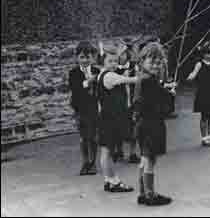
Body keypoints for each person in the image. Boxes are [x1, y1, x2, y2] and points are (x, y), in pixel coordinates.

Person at [133, 42, 177, 206]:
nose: (156, 65)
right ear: (142, 61)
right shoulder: (149, 81)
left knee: (145, 159)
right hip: (151, 125)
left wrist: (163, 89)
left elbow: (149, 96)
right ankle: (150, 195)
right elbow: (162, 106)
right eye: (152, 61)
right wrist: (170, 93)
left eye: (159, 62)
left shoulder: (143, 79)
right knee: (150, 160)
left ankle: (143, 193)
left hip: (142, 124)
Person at [96, 44, 140, 193]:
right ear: (103, 62)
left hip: (107, 119)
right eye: (110, 61)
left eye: (115, 61)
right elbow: (128, 80)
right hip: (110, 120)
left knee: (105, 152)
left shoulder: (104, 74)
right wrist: (143, 76)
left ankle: (108, 180)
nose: (114, 64)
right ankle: (114, 181)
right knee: (107, 152)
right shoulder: (109, 76)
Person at [69, 41, 100, 176]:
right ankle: (85, 161)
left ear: (92, 57)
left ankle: (93, 162)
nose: (85, 60)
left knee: (92, 136)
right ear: (77, 58)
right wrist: (89, 81)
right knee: (83, 137)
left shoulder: (97, 71)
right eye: (82, 57)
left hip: (93, 108)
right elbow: (75, 88)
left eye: (88, 57)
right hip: (80, 109)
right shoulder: (73, 73)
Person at [187, 41, 210, 147]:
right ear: (202, 53)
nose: (208, 55)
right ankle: (204, 138)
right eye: (206, 52)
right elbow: (193, 74)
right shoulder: (200, 64)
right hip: (203, 94)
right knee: (204, 116)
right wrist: (190, 76)